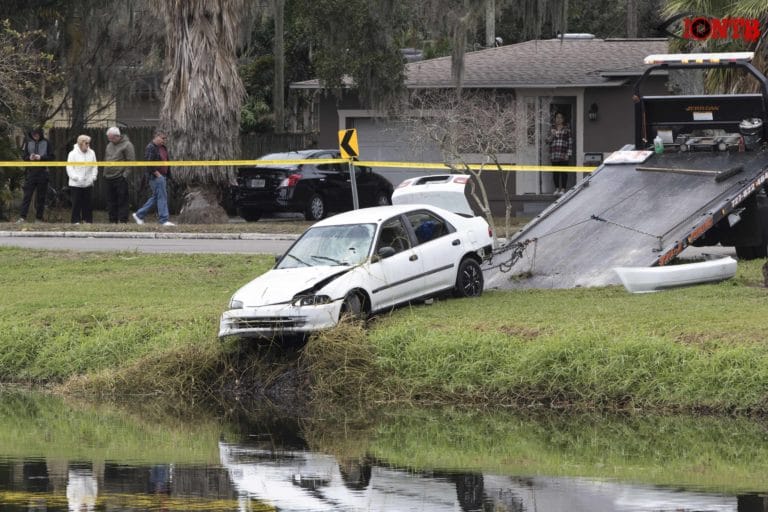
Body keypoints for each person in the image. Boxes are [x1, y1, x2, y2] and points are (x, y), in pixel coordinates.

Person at [132, 130, 175, 226]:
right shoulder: (151, 147)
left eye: (165, 139)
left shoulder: (163, 148)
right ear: (156, 136)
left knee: (156, 197)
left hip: (163, 176)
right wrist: (158, 175)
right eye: (162, 138)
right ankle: (164, 220)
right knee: (162, 197)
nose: (164, 140)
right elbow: (149, 163)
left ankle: (139, 214)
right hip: (156, 177)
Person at [18, 128, 54, 223]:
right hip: (31, 172)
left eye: (37, 135)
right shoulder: (28, 143)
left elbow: (52, 157)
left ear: (40, 134)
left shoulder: (47, 143)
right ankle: (22, 217)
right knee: (27, 195)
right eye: (33, 135)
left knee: (41, 197)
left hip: (43, 172)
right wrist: (29, 157)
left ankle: (39, 218)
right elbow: (24, 156)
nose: (35, 136)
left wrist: (41, 157)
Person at [104, 126, 135, 223]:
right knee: (110, 201)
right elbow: (106, 158)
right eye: (108, 138)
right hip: (108, 177)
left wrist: (124, 175)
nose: (109, 140)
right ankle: (112, 221)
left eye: (111, 138)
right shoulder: (109, 145)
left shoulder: (127, 145)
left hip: (120, 177)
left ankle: (123, 220)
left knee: (122, 200)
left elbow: (131, 161)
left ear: (117, 136)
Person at [66, 135, 98, 224]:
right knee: (76, 203)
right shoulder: (72, 154)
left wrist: (93, 177)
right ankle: (75, 220)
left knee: (88, 203)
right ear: (80, 143)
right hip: (76, 184)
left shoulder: (92, 153)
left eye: (89, 143)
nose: (88, 145)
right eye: (86, 143)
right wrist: (75, 177)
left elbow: (95, 166)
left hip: (88, 183)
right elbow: (69, 167)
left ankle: (87, 220)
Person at [546, 111, 573, 196]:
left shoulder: (567, 129)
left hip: (563, 154)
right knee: (555, 172)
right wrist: (552, 135)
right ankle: (557, 189)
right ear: (555, 119)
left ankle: (563, 189)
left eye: (560, 117)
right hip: (554, 154)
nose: (559, 119)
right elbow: (547, 141)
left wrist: (568, 154)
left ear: (563, 119)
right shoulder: (551, 129)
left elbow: (570, 141)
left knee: (564, 172)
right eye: (557, 117)